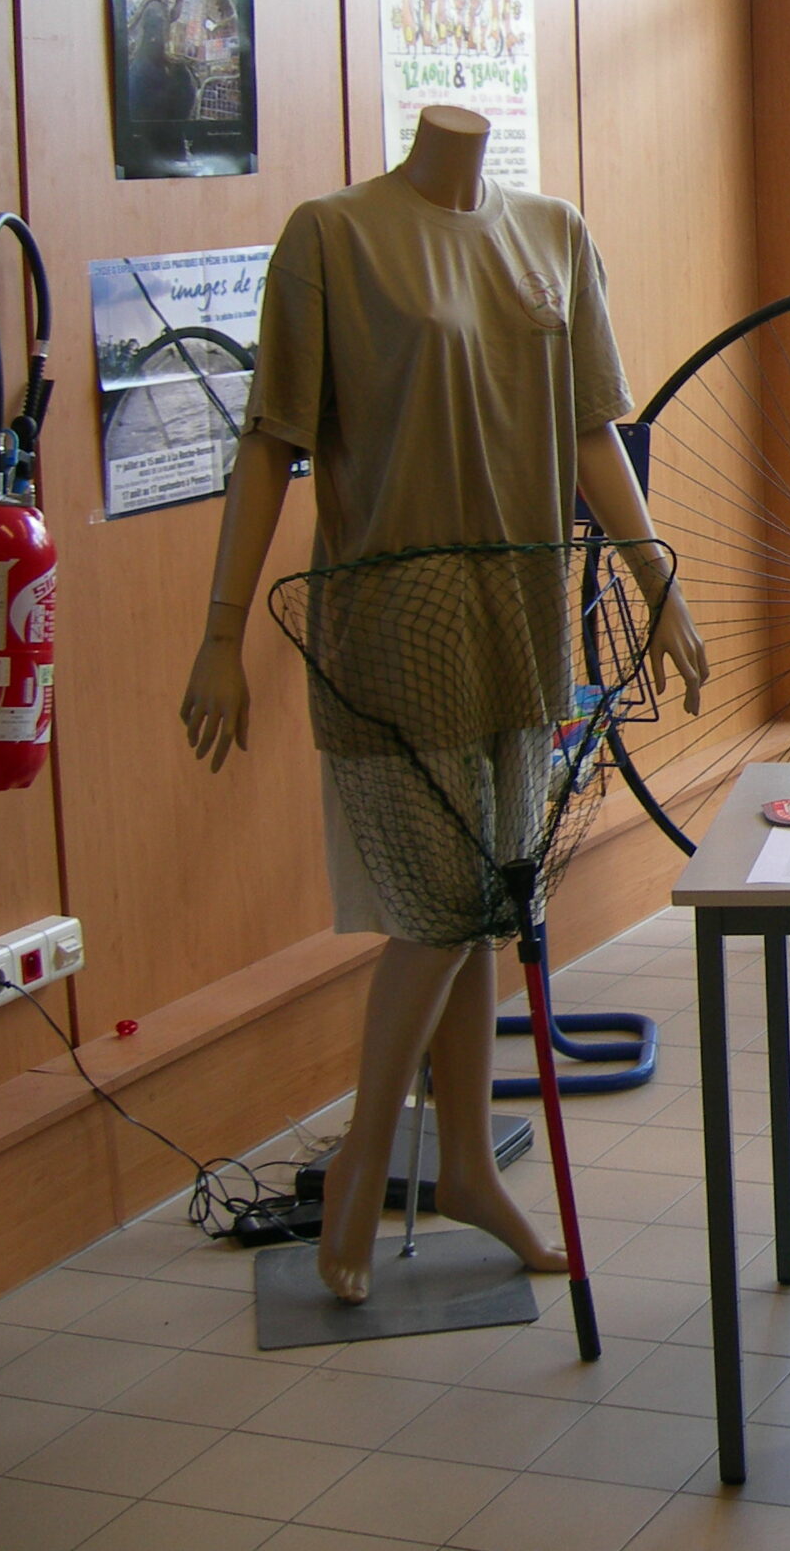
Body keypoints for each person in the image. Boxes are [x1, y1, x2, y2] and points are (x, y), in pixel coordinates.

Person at [180, 105, 705, 1306]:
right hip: (392, 625)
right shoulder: (333, 238)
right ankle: (366, 1162)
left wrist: (657, 583)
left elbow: (591, 430)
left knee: (489, 906)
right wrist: (218, 637)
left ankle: (466, 1164)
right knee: (438, 910)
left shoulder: (552, 235)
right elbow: (269, 441)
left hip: (517, 621)